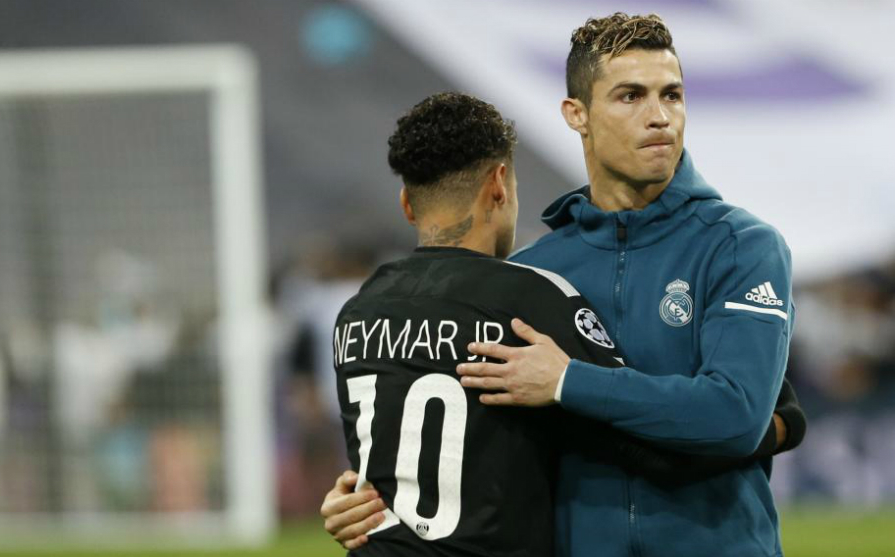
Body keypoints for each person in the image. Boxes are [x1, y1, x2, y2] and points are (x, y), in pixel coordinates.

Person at [322, 13, 805, 557]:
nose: (659, 117)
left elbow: (737, 417)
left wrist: (568, 381)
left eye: (671, 95)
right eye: (630, 96)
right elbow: (469, 449)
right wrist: (368, 501)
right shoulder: (531, 273)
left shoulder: (741, 245)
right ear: (577, 114)